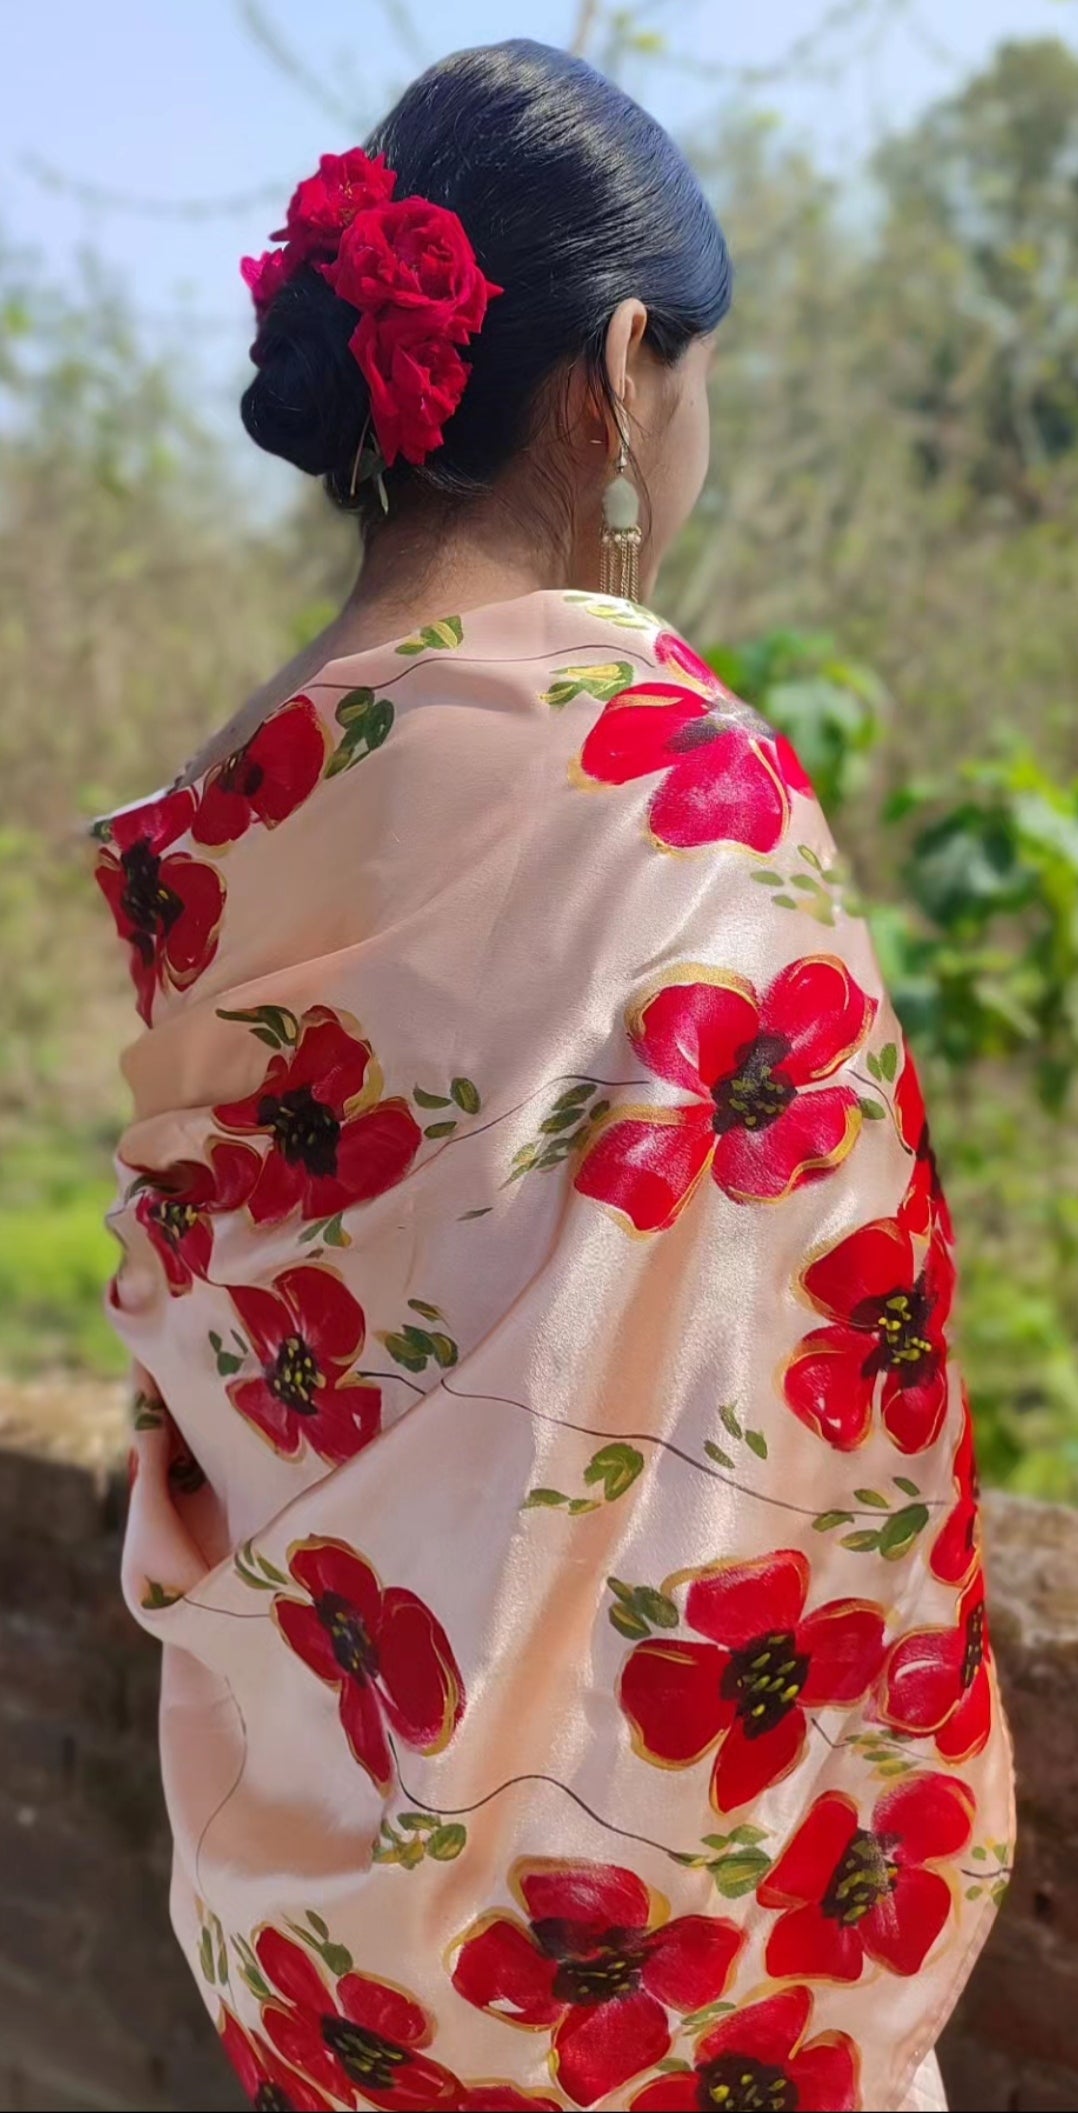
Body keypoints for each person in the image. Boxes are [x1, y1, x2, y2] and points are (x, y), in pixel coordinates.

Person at [95, 39, 1012, 2113]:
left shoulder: (212, 820)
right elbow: (822, 1355)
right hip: (622, 1949)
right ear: (620, 364)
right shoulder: (668, 781)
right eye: (695, 382)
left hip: (311, 1932)